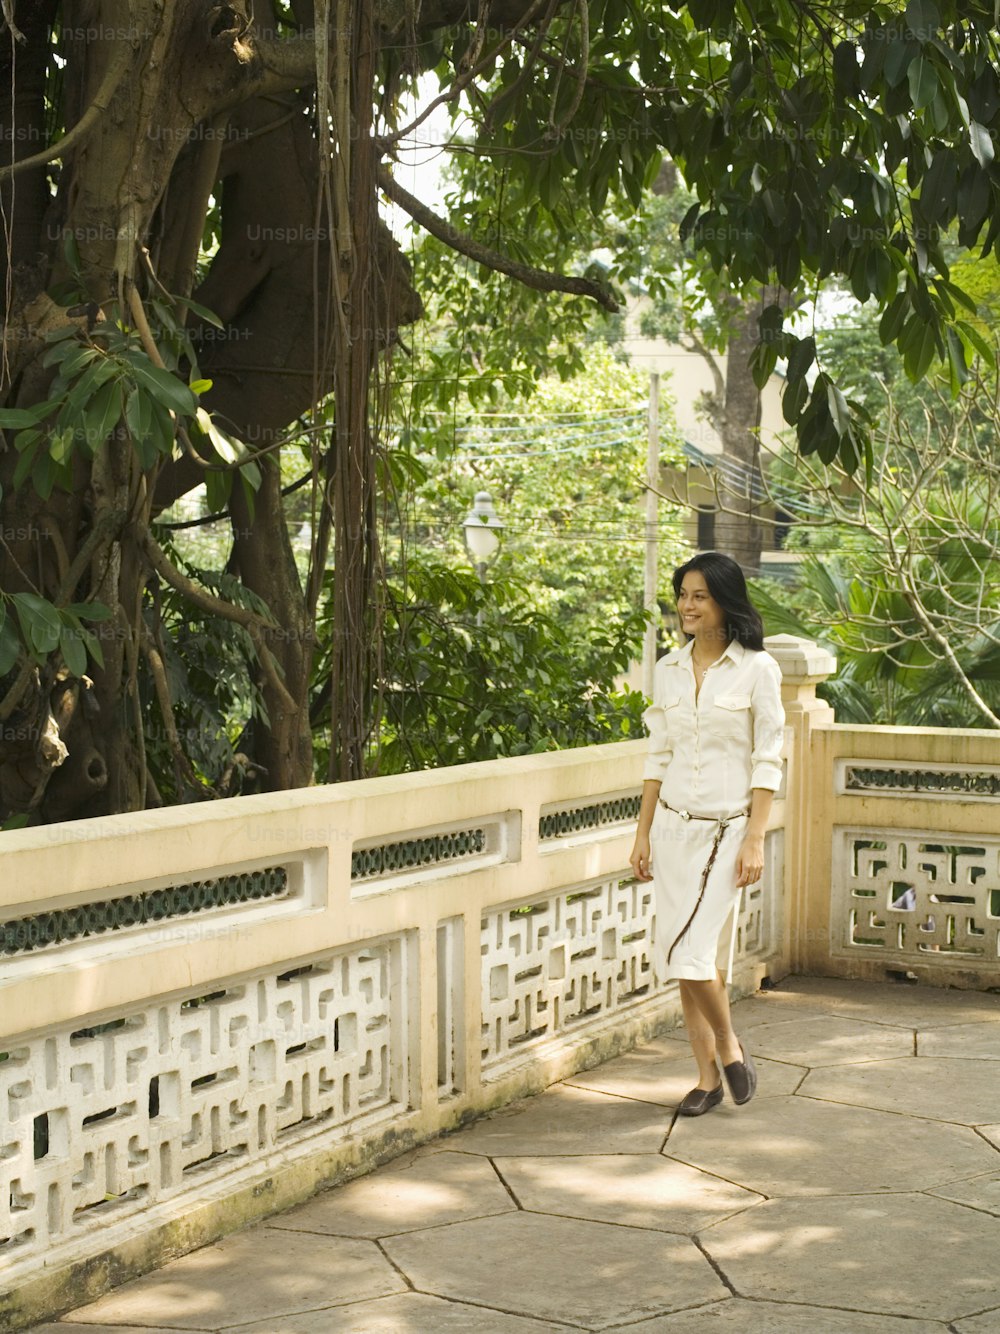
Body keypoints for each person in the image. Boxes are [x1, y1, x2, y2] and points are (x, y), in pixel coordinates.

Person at [629, 551, 785, 1116]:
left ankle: (728, 1044)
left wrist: (756, 837)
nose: (686, 606)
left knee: (691, 953)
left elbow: (769, 759)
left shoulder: (757, 670)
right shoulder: (669, 669)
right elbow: (657, 755)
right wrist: (643, 834)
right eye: (683, 595)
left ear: (724, 601)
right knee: (680, 958)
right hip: (672, 831)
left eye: (699, 596)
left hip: (726, 833)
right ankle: (705, 1078)